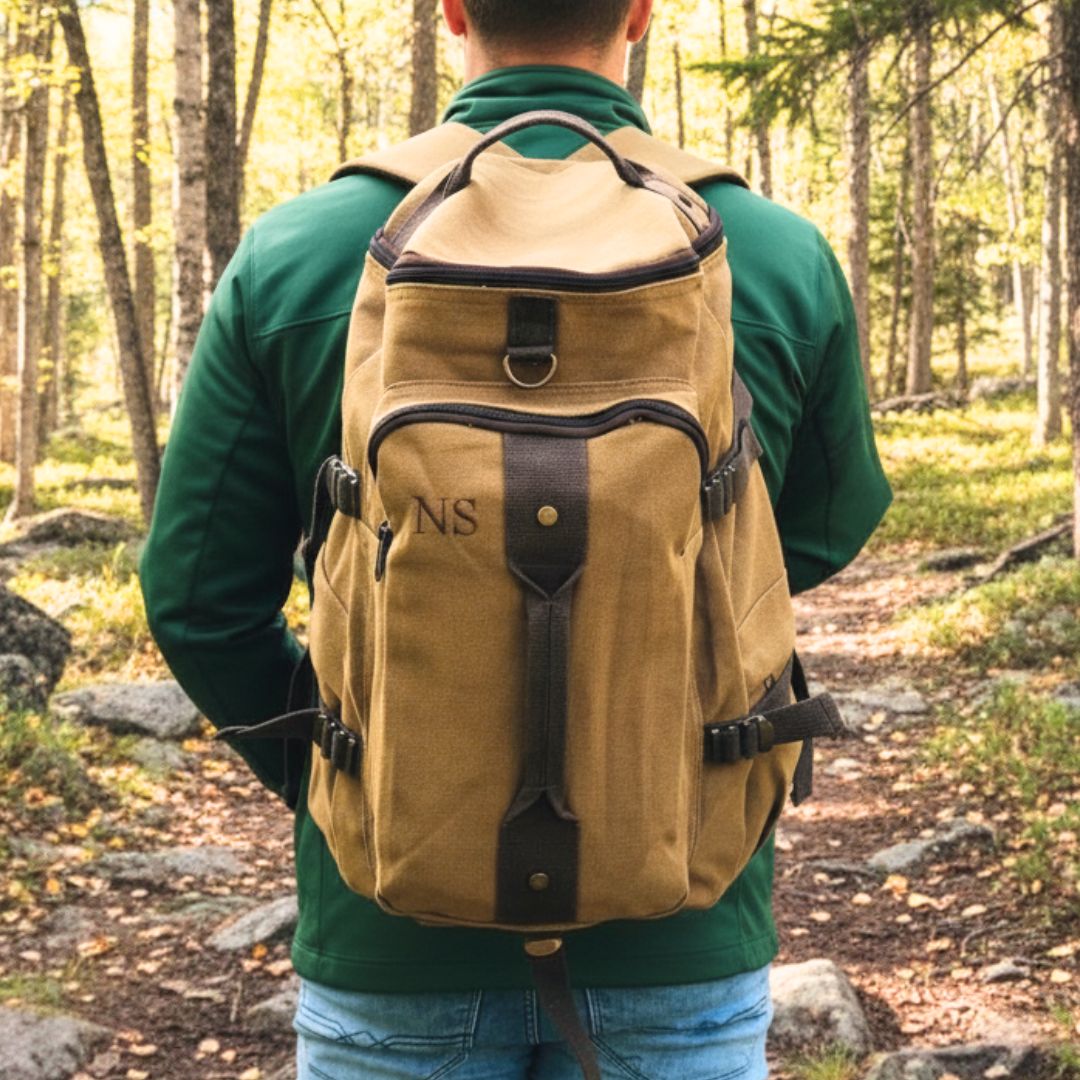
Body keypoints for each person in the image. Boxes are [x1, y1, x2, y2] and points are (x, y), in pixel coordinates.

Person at [140, 1, 891, 1076]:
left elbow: (193, 598)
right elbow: (818, 531)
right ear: (640, 11)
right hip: (683, 912)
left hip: (386, 938)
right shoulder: (768, 253)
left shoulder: (300, 251)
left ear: (449, 10)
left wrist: (358, 767)